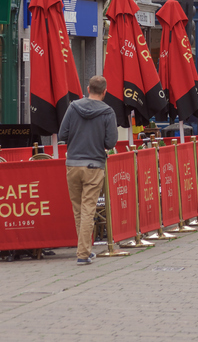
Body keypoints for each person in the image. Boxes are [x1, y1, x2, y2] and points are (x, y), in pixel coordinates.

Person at [58, 75, 117, 265]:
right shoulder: (108, 112)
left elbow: (62, 134)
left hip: (73, 163)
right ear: (105, 92)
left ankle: (84, 249)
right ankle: (83, 254)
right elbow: (110, 142)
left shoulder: (73, 107)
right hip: (94, 165)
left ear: (87, 88)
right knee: (88, 210)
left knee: (78, 210)